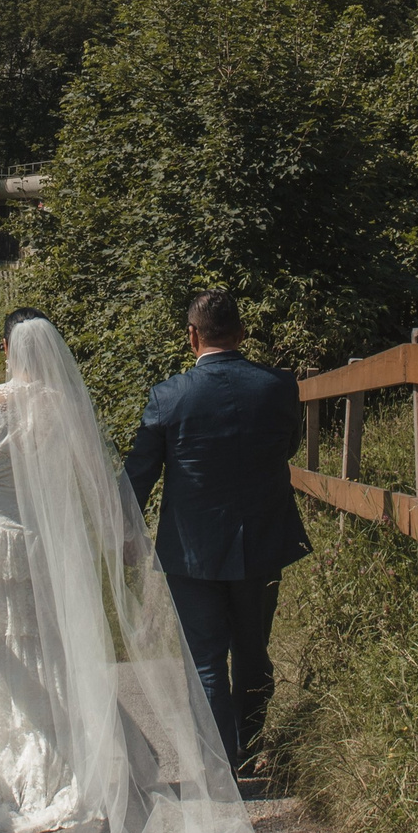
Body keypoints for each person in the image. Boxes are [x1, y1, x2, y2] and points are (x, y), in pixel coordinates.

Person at [0, 307, 295, 833]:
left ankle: (15, 773)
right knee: (59, 650)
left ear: (8, 349)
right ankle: (201, 762)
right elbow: (96, 478)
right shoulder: (68, 406)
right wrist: (122, 539)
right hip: (51, 545)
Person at [123, 290, 313, 777]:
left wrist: (123, 532)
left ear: (191, 336)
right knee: (253, 650)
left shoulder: (169, 396)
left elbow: (140, 474)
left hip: (191, 550)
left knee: (207, 658)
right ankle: (247, 749)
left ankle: (220, 768)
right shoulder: (278, 386)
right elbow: (288, 445)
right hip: (262, 538)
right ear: (242, 332)